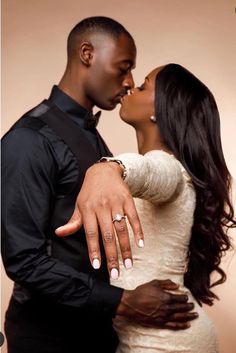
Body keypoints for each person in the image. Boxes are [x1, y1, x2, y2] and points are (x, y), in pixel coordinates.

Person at [1, 18, 197, 353]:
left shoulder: (90, 136)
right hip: (49, 337)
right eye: (123, 67)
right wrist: (122, 301)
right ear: (87, 53)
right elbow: (24, 260)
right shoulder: (29, 139)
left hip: (99, 333)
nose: (129, 82)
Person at [57, 63, 236, 352]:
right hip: (150, 338)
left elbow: (151, 172)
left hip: (167, 343)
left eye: (143, 85)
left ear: (161, 111)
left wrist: (107, 170)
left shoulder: (170, 170)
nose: (130, 87)